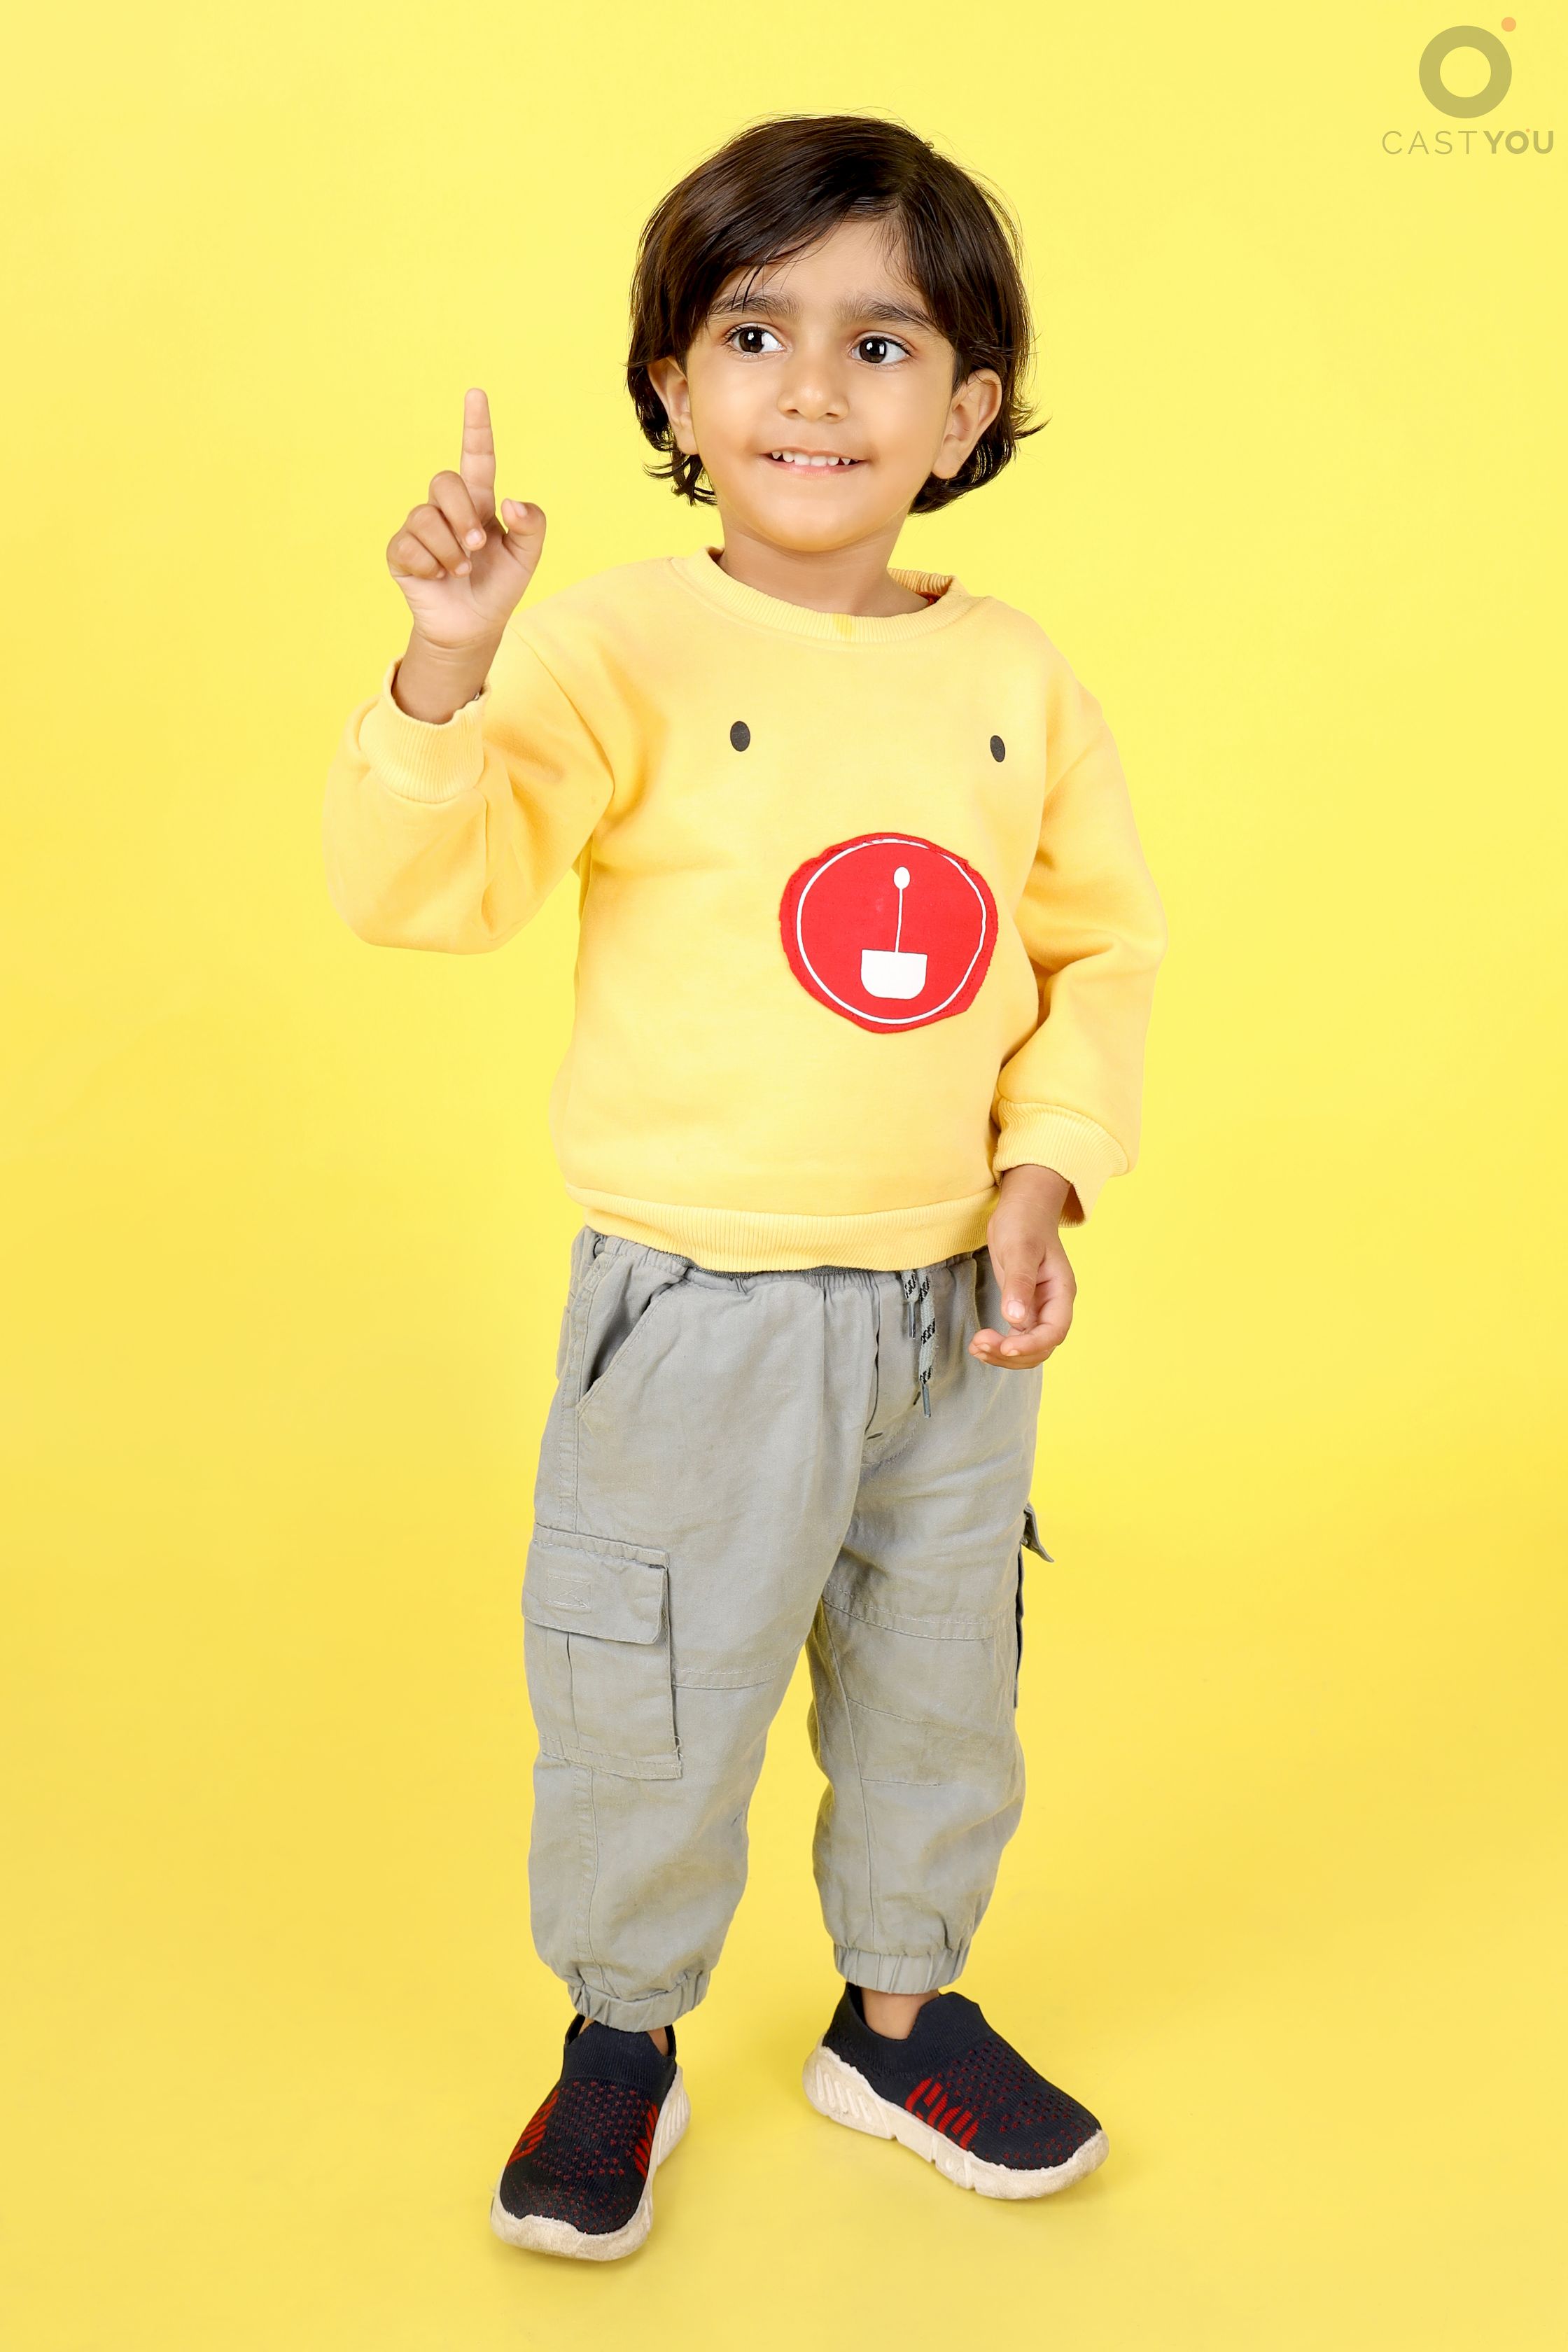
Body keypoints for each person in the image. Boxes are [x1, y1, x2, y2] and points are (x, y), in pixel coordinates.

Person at [321, 112, 1167, 2262]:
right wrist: (447, 666)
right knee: (654, 1692)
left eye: (882, 344)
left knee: (940, 1679)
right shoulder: (611, 649)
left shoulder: (1016, 676)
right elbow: (427, 890)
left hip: (950, 1314)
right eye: (753, 334)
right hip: (697, 1306)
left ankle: (899, 2015)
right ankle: (623, 2036)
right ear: (675, 392)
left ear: (964, 412)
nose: (813, 388)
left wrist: (1045, 1175)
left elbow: (1095, 953)